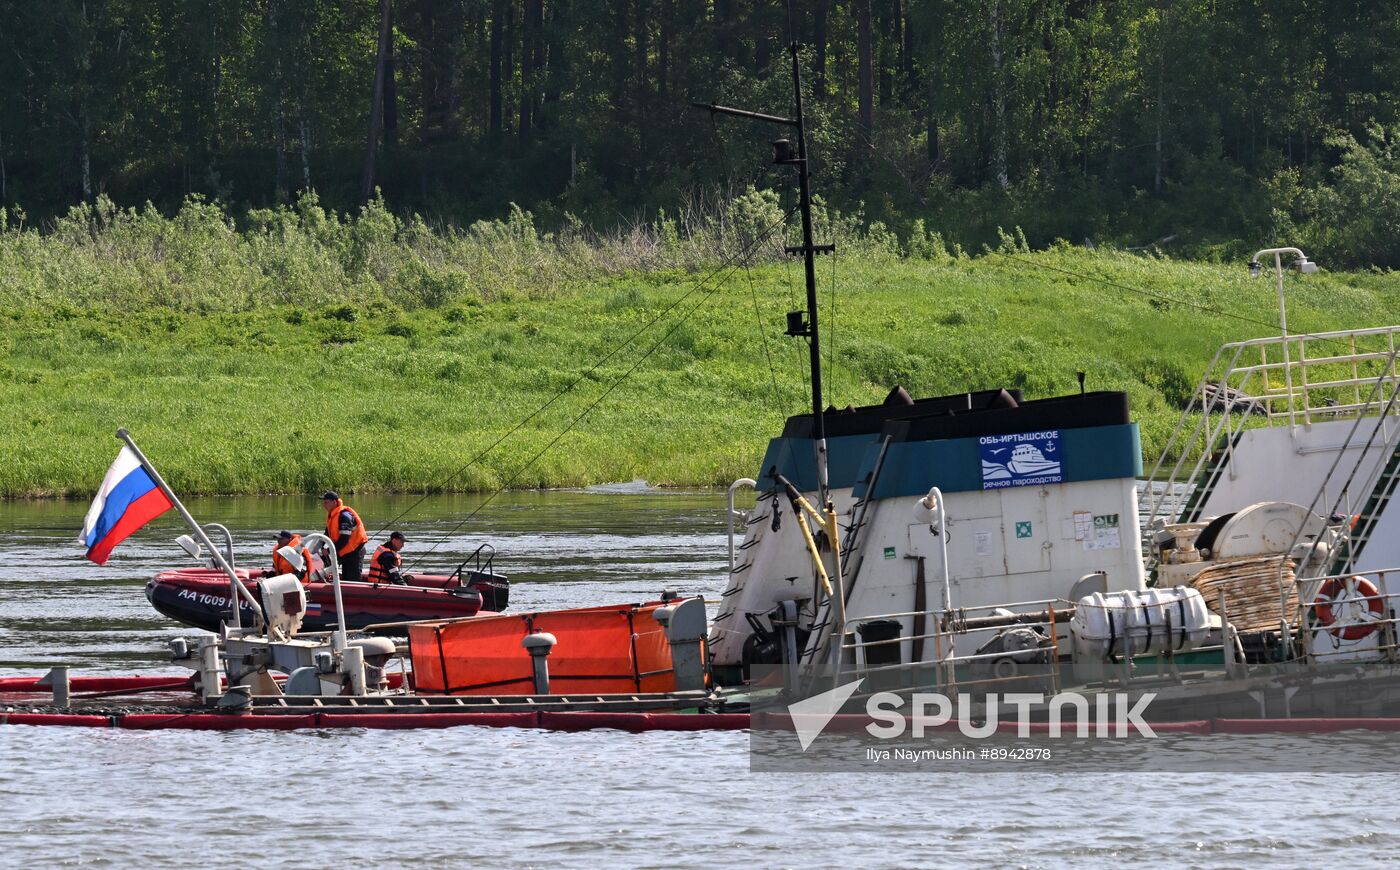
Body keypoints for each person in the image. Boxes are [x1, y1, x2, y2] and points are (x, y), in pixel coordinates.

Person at [320, 490, 368, 583]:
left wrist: (329, 551)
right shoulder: (332, 515)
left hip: (355, 551)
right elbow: (326, 534)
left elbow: (344, 540)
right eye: (324, 502)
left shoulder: (344, 516)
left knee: (352, 580)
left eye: (326, 502)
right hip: (346, 551)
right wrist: (321, 547)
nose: (324, 505)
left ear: (334, 502)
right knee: (346, 578)